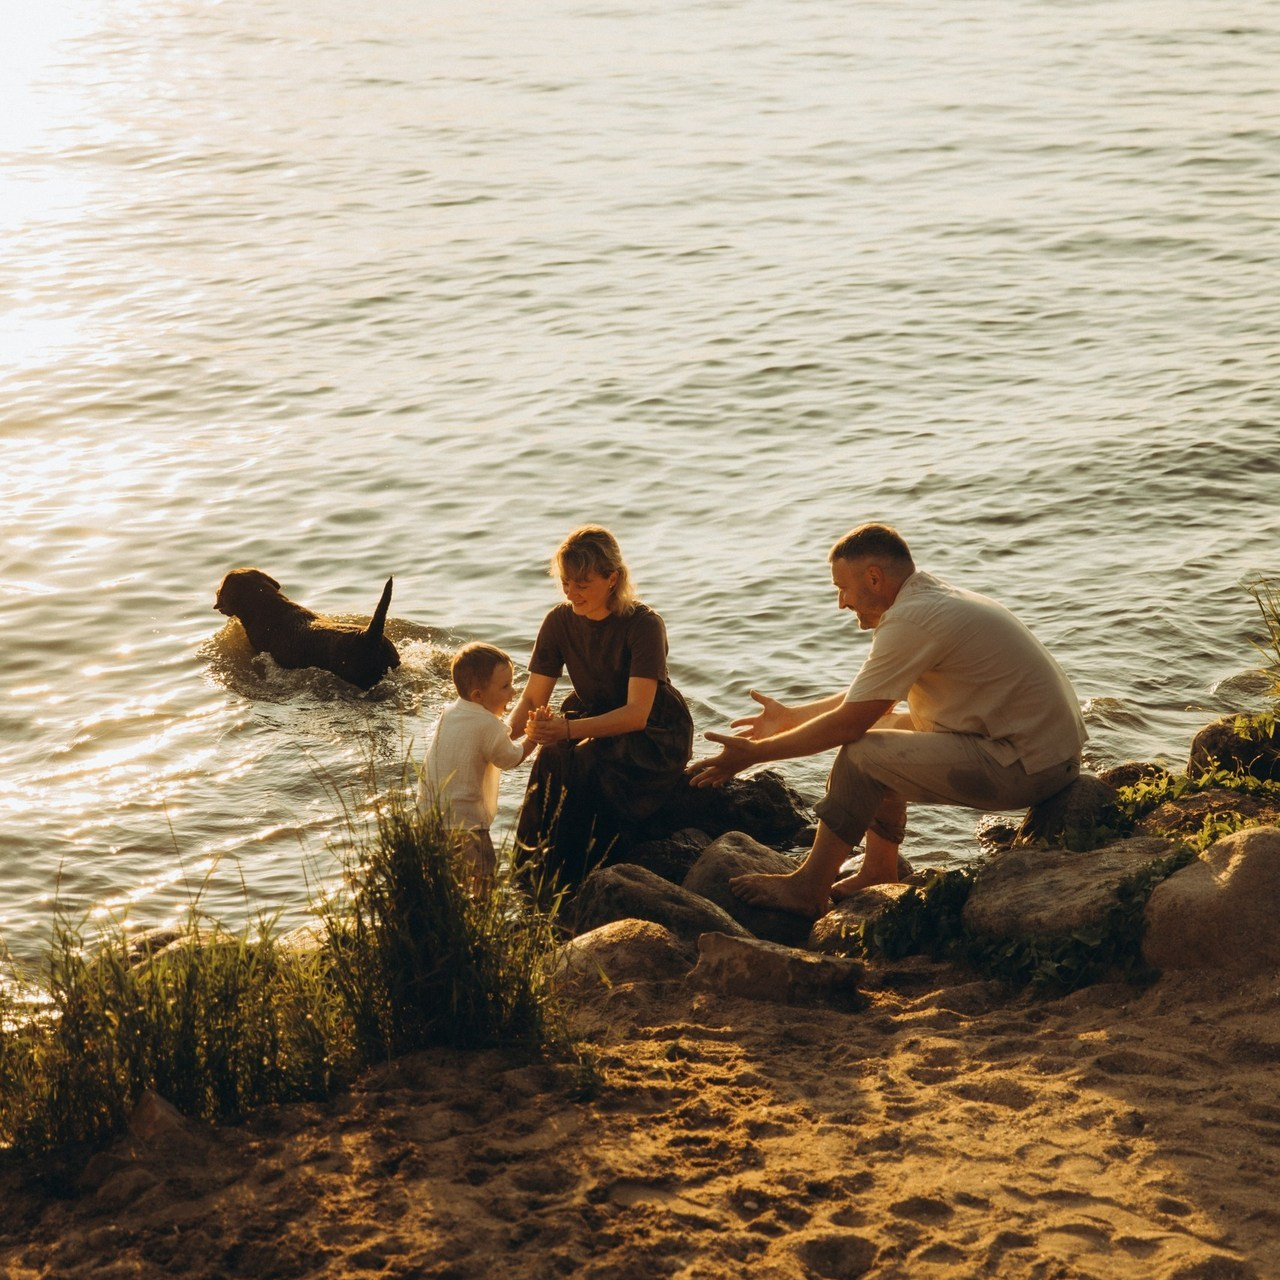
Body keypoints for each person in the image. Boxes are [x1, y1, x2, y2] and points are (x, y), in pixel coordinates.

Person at [688, 523, 1087, 918]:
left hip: (1028, 766)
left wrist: (757, 753)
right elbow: (870, 703)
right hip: (1039, 751)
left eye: (842, 588)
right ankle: (879, 868)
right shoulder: (929, 600)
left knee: (864, 752)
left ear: (874, 578)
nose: (842, 603)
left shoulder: (912, 620)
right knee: (883, 732)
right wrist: (791, 718)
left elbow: (850, 725)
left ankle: (809, 888)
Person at [511, 525, 694, 889]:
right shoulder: (559, 621)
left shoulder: (644, 624)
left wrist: (564, 730)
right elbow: (533, 699)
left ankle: (577, 878)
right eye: (565, 582)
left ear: (612, 579)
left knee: (583, 759)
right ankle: (528, 872)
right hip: (592, 715)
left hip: (654, 732)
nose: (571, 593)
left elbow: (636, 713)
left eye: (582, 584)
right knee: (550, 756)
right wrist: (499, 744)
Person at [417, 642, 532, 886]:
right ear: (478, 695)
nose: (513, 692)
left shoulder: (449, 712)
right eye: (505, 686)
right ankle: (481, 920)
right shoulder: (489, 725)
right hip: (467, 823)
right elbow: (510, 758)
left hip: (430, 816)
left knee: (442, 882)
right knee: (483, 881)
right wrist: (535, 737)